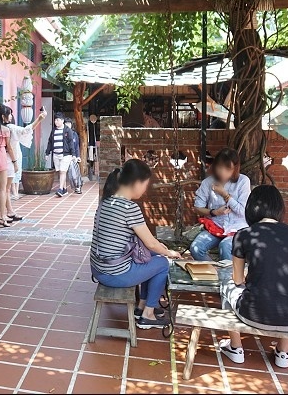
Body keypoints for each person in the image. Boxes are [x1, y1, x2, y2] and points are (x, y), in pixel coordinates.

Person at [218, 185, 288, 368]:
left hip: (253, 314)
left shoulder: (244, 235)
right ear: (280, 209)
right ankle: (283, 352)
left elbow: (237, 280)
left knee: (225, 285)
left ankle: (235, 348)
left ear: (251, 209)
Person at [90, 159, 182, 329]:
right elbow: (151, 243)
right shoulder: (129, 208)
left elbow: (149, 245)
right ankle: (148, 315)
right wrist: (169, 253)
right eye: (145, 185)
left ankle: (142, 306)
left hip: (98, 269)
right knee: (162, 263)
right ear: (137, 183)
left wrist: (160, 249)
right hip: (114, 274)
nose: (145, 189)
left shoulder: (106, 202)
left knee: (152, 256)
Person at [190, 148, 250, 261]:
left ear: (235, 168)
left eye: (227, 169)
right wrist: (214, 212)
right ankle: (216, 270)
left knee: (225, 245)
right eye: (219, 167)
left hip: (237, 228)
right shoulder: (208, 182)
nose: (222, 172)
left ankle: (229, 273)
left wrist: (224, 194)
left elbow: (242, 211)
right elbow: (198, 207)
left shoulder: (243, 181)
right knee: (196, 248)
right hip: (216, 226)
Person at [4, 108, 47, 218]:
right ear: (3, 116)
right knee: (5, 189)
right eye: (9, 114)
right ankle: (5, 213)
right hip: (7, 159)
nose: (11, 116)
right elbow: (25, 131)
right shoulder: (10, 128)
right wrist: (38, 119)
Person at [46, 112, 76, 197]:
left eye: (58, 120)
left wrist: (73, 154)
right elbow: (50, 142)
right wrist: (47, 153)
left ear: (62, 121)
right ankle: (64, 189)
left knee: (63, 171)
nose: (56, 122)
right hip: (56, 154)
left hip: (66, 155)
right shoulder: (53, 130)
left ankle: (60, 189)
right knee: (60, 172)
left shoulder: (67, 130)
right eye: (55, 120)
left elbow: (71, 143)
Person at [64, 117, 83, 194]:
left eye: (69, 123)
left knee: (75, 171)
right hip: (66, 156)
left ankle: (78, 186)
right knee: (69, 173)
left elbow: (76, 146)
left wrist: (78, 156)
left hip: (74, 156)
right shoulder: (63, 134)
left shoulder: (74, 134)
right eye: (66, 123)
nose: (67, 125)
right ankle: (74, 186)